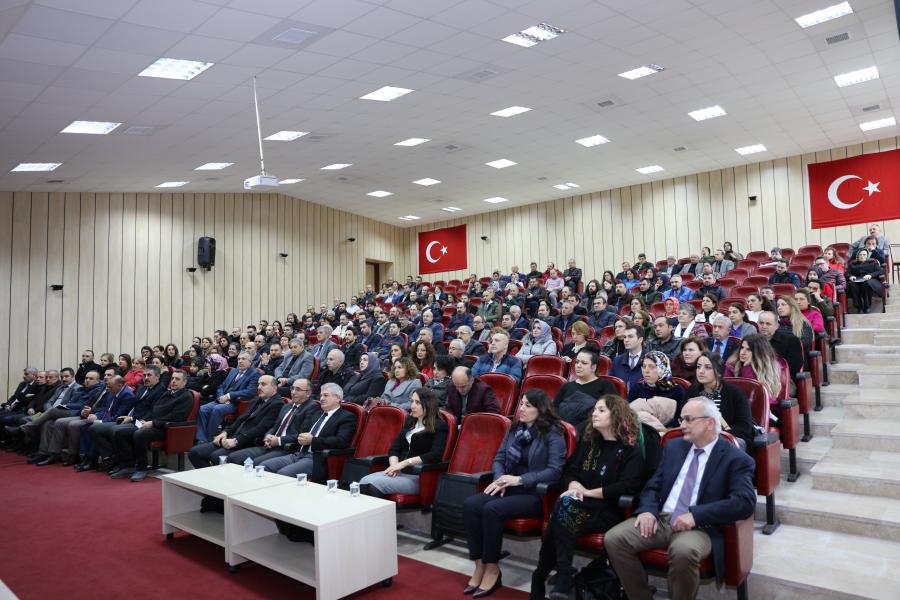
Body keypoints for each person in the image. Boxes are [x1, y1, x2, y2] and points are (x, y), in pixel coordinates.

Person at [604, 397, 756, 600]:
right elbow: (653, 485)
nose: (682, 425)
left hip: (701, 526)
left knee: (683, 551)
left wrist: (696, 515)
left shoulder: (735, 458)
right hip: (662, 518)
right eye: (681, 419)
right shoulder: (674, 447)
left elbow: (744, 502)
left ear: (709, 422)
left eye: (688, 419)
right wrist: (647, 510)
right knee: (614, 539)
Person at [532, 394, 646, 599]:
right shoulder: (589, 442)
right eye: (594, 410)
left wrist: (587, 492)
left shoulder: (630, 450)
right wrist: (574, 485)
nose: (594, 413)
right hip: (579, 507)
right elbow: (570, 470)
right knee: (564, 507)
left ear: (617, 415)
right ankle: (561, 573)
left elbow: (627, 486)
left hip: (608, 511)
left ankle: (543, 575)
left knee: (560, 514)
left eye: (601, 410)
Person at [464, 390, 567, 598]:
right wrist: (500, 479)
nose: (521, 408)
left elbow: (555, 470)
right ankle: (479, 565)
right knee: (471, 504)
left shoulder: (553, 432)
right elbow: (499, 458)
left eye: (528, 405)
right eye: (521, 404)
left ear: (541, 409)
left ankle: (492, 568)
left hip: (535, 494)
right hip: (509, 486)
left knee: (491, 509)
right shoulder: (515, 428)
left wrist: (519, 479)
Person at [257, 383, 357, 480]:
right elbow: (300, 433)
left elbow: (341, 441)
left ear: (338, 398)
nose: (321, 398)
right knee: (264, 466)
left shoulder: (346, 417)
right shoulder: (317, 413)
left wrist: (313, 440)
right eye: (321, 395)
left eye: (326, 395)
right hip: (298, 453)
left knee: (284, 473)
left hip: (317, 458)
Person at [360, 389, 449, 495]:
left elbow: (435, 455)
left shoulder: (439, 426)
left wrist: (405, 463)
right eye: (412, 401)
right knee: (363, 481)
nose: (412, 406)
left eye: (417, 402)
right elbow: (394, 449)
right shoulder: (410, 422)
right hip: (400, 473)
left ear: (429, 404)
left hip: (419, 476)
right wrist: (394, 467)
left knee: (373, 484)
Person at [108, 371, 194, 481]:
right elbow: (154, 410)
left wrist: (153, 423)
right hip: (152, 423)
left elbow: (176, 417)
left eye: (177, 379)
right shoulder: (167, 393)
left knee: (140, 434)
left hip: (167, 429)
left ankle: (141, 468)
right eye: (172, 378)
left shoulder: (186, 396)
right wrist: (143, 420)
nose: (173, 381)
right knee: (118, 432)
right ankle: (127, 466)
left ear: (184, 382)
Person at [187, 375, 283, 469]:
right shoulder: (257, 399)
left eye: (263, 384)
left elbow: (261, 429)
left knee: (217, 456)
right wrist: (225, 432)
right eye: (258, 384)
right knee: (195, 452)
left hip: (248, 442)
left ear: (274, 388)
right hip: (234, 436)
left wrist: (236, 441)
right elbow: (240, 419)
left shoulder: (277, 403)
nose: (259, 387)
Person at [223, 378, 318, 467]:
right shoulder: (287, 406)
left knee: (257, 463)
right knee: (233, 457)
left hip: (287, 448)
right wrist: (268, 435)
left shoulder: (311, 408)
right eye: (292, 388)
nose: (293, 392)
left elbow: (301, 434)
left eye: (298, 389)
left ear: (308, 393)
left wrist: (278, 440)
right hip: (270, 445)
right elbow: (275, 426)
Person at [685, 353, 755, 451]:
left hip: (731, 438)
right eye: (698, 366)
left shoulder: (735, 393)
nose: (701, 371)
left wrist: (715, 435)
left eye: (708, 367)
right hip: (697, 437)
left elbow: (744, 426)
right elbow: (682, 419)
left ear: (719, 372)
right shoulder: (692, 391)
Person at [195, 352, 260, 443]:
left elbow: (250, 391)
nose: (240, 361)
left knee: (217, 409)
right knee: (203, 409)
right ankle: (202, 438)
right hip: (222, 399)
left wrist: (229, 396)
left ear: (250, 362)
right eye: (239, 359)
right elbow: (221, 386)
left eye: (243, 359)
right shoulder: (234, 371)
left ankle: (209, 439)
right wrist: (222, 396)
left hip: (236, 402)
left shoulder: (254, 374)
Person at [629, 352, 687, 430]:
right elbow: (629, 415)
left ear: (663, 368)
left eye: (651, 367)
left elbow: (681, 420)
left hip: (668, 432)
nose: (646, 371)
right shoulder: (636, 388)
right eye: (644, 366)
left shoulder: (677, 391)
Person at [725, 335, 783, 401]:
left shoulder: (768, 370)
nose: (742, 352)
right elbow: (726, 391)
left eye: (748, 350)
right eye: (742, 347)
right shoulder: (732, 366)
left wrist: (748, 368)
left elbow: (769, 399)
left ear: (759, 353)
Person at [610, 323, 645, 393]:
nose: (626, 340)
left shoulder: (650, 360)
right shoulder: (617, 360)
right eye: (625, 337)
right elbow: (610, 384)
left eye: (630, 337)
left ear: (640, 340)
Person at [846, 249, 884, 313]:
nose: (862, 256)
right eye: (860, 255)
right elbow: (847, 273)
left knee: (866, 283)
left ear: (867, 256)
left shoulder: (873, 263)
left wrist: (870, 275)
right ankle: (858, 306)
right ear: (857, 256)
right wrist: (850, 276)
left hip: (870, 279)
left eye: (864, 255)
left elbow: (880, 271)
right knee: (852, 284)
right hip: (857, 280)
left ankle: (867, 306)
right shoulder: (852, 264)